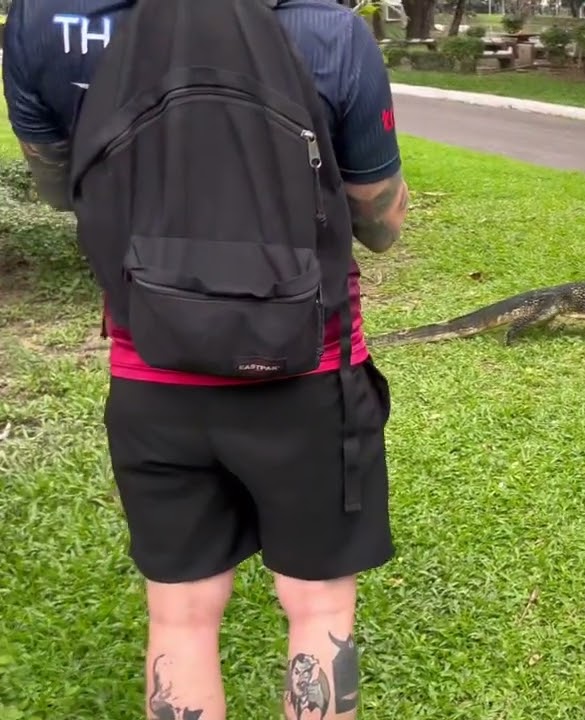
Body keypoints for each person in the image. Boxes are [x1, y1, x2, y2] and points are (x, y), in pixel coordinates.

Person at [2, 0, 410, 717]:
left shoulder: (45, 22)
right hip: (307, 376)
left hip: (149, 369)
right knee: (316, 606)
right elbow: (377, 221)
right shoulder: (328, 31)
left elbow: (64, 189)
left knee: (179, 614)